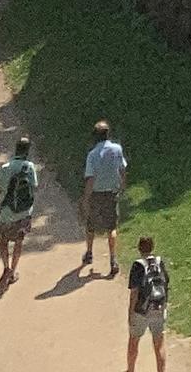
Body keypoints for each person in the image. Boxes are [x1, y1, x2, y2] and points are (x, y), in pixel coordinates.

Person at [80, 117, 128, 276]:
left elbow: (90, 178)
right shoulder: (117, 149)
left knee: (90, 224)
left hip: (96, 194)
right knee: (111, 227)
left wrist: (86, 197)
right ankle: (113, 259)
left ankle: (89, 252)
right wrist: (122, 186)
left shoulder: (92, 155)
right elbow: (122, 170)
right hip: (111, 193)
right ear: (108, 134)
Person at [0, 131, 38, 290]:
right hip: (24, 213)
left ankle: (6, 267)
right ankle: (13, 271)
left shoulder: (6, 167)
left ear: (16, 149)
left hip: (7, 212)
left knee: (3, 241)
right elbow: (34, 186)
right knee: (19, 242)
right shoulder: (29, 167)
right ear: (27, 151)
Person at [125, 233, 170, 367]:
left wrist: (131, 313)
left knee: (134, 341)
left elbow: (134, 292)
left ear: (139, 248)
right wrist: (164, 304)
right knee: (159, 343)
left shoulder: (138, 266)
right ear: (152, 247)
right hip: (158, 307)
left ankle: (130, 369)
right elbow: (165, 284)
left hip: (141, 310)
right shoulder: (159, 262)